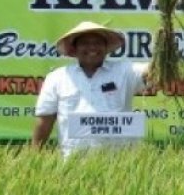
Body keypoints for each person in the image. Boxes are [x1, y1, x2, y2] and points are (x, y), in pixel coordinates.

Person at [32, 21, 149, 157]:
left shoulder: (125, 71)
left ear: (106, 47)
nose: (92, 48)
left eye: (98, 43)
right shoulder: (57, 77)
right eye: (85, 43)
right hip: (73, 163)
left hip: (121, 162)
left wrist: (165, 41)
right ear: (74, 49)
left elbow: (155, 71)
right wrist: (34, 157)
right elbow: (45, 120)